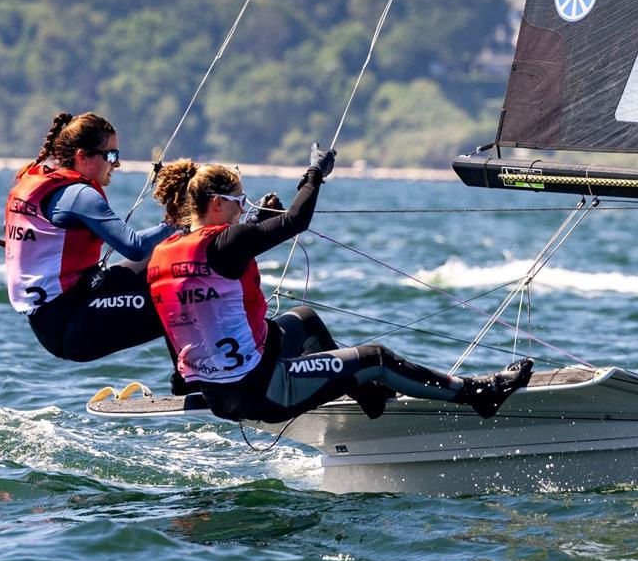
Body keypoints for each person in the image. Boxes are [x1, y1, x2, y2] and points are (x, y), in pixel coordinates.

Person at [147, 143, 533, 423]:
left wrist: (186, 379)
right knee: (376, 357)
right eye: (239, 202)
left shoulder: (164, 255)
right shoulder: (226, 241)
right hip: (262, 389)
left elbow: (178, 321)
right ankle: (479, 395)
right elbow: (295, 221)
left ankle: (365, 394)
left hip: (218, 393)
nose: (242, 210)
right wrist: (315, 174)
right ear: (216, 203)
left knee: (305, 320)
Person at [5, 112, 178, 362]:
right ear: (82, 157)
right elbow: (134, 247)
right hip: (70, 324)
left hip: (66, 308)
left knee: (168, 257)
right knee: (184, 299)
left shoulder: (39, 181)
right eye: (111, 155)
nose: (116, 164)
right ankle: (192, 386)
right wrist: (175, 221)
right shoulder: (79, 195)